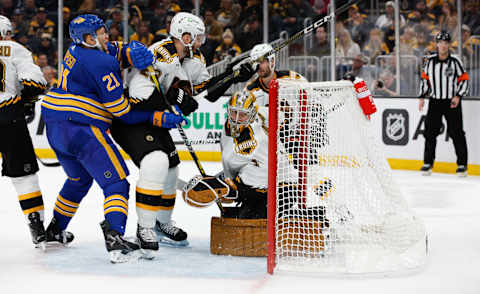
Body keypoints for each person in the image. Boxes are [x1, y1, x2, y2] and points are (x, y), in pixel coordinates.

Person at [40, 14, 186, 263]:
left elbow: (112, 50)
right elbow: (123, 113)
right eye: (101, 32)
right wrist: (159, 118)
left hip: (54, 125)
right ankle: (115, 237)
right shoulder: (100, 62)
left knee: (79, 179)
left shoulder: (78, 49)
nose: (107, 36)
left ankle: (55, 229)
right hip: (81, 128)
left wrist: (130, 51)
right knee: (116, 184)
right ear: (88, 38)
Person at [114, 12, 254, 251]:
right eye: (197, 37)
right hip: (135, 118)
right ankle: (144, 227)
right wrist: (174, 97)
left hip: (157, 118)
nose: (201, 42)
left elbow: (206, 91)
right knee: (156, 163)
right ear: (184, 35)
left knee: (171, 167)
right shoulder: (161, 53)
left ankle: (161, 223)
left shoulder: (195, 57)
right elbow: (141, 96)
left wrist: (231, 76)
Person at [0, 15, 48, 248]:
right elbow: (36, 83)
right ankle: (37, 229)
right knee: (24, 177)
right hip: (8, 118)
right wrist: (26, 102)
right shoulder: (15, 49)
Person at [418, 31, 469, 176]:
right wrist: (422, 97)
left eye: (446, 43)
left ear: (449, 45)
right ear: (437, 44)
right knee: (429, 132)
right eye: (440, 42)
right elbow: (425, 79)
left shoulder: (455, 61)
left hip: (452, 102)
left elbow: (464, 79)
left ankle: (462, 165)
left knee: (457, 132)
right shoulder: (430, 61)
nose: (443, 45)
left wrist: (458, 96)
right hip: (435, 101)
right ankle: (428, 163)